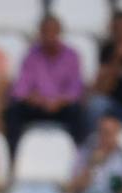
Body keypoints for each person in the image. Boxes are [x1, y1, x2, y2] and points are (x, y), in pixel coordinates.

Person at [5, 14, 84, 154]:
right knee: (13, 110)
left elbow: (75, 89)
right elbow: (20, 88)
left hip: (61, 107)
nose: (49, 35)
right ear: (40, 33)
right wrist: (32, 98)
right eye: (45, 31)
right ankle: (14, 154)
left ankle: (77, 153)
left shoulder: (71, 55)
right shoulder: (31, 55)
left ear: (59, 33)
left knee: (77, 111)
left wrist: (59, 101)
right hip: (37, 106)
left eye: (53, 31)